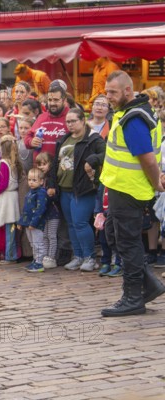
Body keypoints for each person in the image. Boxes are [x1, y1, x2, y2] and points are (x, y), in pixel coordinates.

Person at [99, 71, 165, 317]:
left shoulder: (133, 119)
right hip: (122, 187)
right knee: (114, 235)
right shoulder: (128, 113)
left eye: (113, 92)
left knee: (127, 242)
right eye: (107, 92)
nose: (109, 97)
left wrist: (156, 182)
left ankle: (133, 297)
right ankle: (149, 285)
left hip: (129, 189)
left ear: (128, 91)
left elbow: (147, 159)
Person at [52, 108, 105, 272]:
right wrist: (52, 184)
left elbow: (106, 153)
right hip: (64, 188)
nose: (70, 124)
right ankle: (78, 256)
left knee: (81, 223)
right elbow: (56, 163)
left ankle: (90, 257)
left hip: (83, 188)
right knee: (71, 225)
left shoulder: (92, 138)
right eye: (67, 121)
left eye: (73, 121)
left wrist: (93, 159)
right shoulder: (64, 139)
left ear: (83, 120)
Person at [0, 135, 21, 265]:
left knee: (9, 230)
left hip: (6, 199)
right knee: (8, 228)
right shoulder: (12, 163)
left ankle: (10, 256)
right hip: (10, 199)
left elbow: (3, 184)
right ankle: (3, 253)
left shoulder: (3, 163)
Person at [24, 82, 70, 161]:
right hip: (40, 168)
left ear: (64, 100)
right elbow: (28, 137)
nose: (52, 103)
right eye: (50, 100)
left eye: (56, 100)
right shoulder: (42, 117)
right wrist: (31, 142)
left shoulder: (71, 116)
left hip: (61, 169)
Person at [17, 168, 48, 272]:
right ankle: (35, 260)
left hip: (36, 224)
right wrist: (21, 222)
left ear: (41, 181)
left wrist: (34, 223)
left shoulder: (41, 193)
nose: (31, 182)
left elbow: (40, 209)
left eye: (34, 180)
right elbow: (25, 209)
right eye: (29, 180)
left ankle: (39, 263)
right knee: (32, 243)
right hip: (28, 223)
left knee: (38, 243)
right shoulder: (30, 193)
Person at [34, 152, 59, 270]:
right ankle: (45, 255)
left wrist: (50, 195)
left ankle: (51, 257)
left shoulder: (51, 179)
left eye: (44, 164)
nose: (41, 167)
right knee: (44, 235)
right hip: (44, 213)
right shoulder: (40, 180)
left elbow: (54, 195)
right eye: (39, 164)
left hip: (53, 212)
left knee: (51, 235)